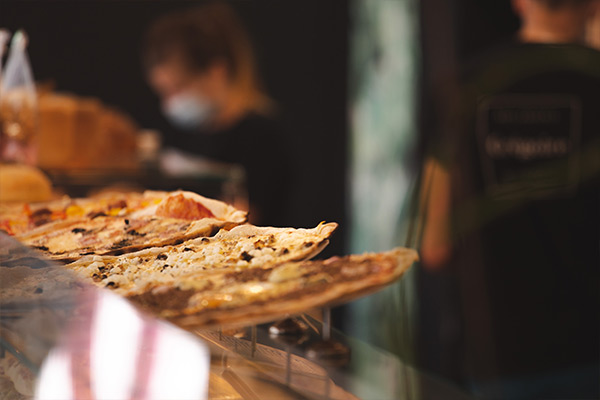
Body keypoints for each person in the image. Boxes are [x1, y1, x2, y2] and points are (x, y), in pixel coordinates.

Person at [420, 0, 600, 398]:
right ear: (592, 6)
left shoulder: (459, 89)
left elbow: (435, 247)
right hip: (589, 352)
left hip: (497, 354)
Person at [143, 1, 290, 226]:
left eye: (178, 88)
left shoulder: (262, 137)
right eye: (163, 93)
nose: (170, 103)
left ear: (216, 72)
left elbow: (243, 220)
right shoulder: (185, 134)